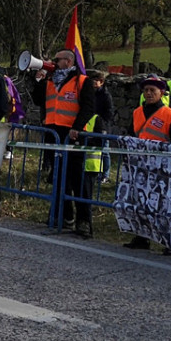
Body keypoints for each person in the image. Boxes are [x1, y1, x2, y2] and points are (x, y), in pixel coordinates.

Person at [32, 48, 97, 238]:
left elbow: (88, 107)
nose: (53, 62)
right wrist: (37, 81)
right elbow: (39, 101)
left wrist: (76, 127)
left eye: (57, 59)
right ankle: (63, 215)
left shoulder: (82, 82)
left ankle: (84, 220)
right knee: (59, 177)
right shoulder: (51, 81)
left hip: (73, 135)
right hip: (54, 134)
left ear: (68, 62)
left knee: (78, 180)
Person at [123, 75, 171, 250]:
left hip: (162, 167)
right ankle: (142, 236)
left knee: (164, 204)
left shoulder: (170, 115)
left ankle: (168, 242)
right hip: (140, 165)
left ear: (161, 93)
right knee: (140, 201)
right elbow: (131, 136)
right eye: (146, 90)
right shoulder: (136, 112)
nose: (149, 93)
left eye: (152, 91)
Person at [90, 71, 115, 182]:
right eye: (93, 80)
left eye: (97, 81)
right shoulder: (90, 94)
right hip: (91, 126)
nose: (95, 83)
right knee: (95, 150)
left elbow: (109, 113)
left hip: (103, 127)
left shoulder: (105, 95)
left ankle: (105, 174)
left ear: (102, 82)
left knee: (104, 151)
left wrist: (103, 125)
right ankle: (96, 172)